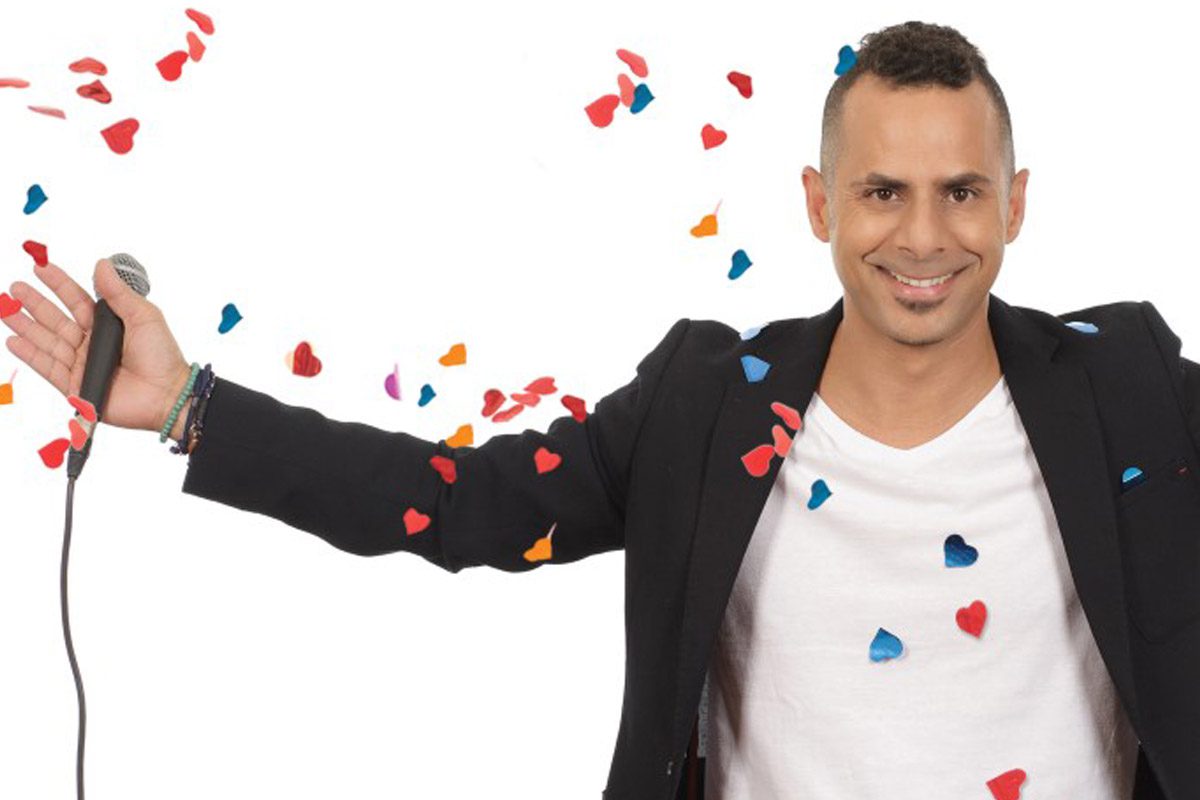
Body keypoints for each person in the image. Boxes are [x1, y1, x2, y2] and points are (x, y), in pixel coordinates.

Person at [5, 20, 1190, 800]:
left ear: (1015, 204)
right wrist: (190, 406)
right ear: (819, 202)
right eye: (883, 191)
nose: (923, 236)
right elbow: (458, 503)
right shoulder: (706, 406)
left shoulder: (1132, 390)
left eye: (961, 191)